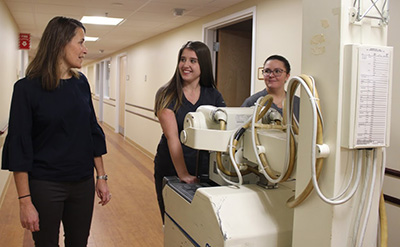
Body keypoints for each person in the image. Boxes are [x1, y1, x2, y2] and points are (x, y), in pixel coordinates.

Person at [1, 16, 111, 246]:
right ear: (61, 43)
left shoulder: (81, 84)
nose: (84, 50)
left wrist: (101, 177)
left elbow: (92, 130)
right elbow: (20, 146)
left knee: (79, 241)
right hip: (45, 185)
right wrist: (24, 201)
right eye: (80, 42)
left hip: (82, 183)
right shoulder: (26, 89)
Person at [154, 41, 226, 222]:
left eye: (193, 61)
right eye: (183, 59)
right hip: (172, 165)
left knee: (201, 222)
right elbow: (173, 138)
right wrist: (183, 174)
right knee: (174, 220)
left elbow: (222, 131)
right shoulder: (166, 94)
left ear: (203, 64)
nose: (186, 65)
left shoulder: (214, 95)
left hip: (204, 167)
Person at [241, 55, 300, 120]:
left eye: (277, 71)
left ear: (287, 76)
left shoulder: (298, 103)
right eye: (267, 71)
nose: (271, 75)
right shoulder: (252, 102)